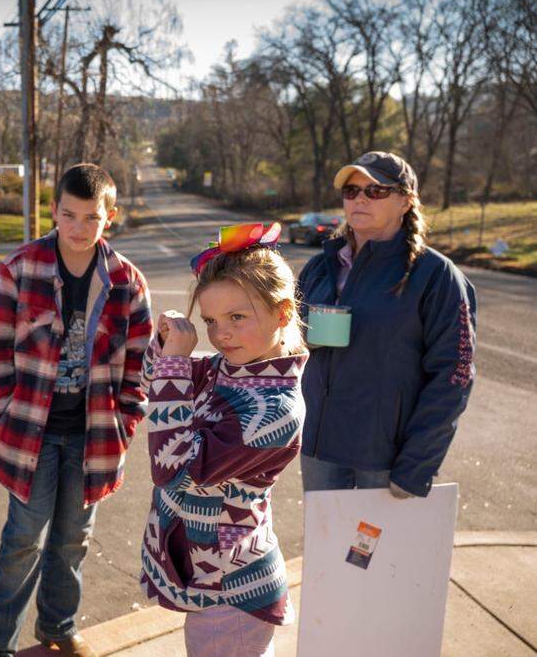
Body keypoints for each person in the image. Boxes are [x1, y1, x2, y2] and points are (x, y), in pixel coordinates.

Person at [0, 163, 153, 657]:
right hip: (31, 434)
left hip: (93, 436)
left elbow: (139, 367)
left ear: (109, 217)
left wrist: (124, 424)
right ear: (53, 211)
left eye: (90, 217)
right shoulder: (20, 269)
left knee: (74, 540)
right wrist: (6, 420)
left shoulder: (128, 284)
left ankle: (57, 626)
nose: (77, 227)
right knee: (22, 543)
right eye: (68, 215)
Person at [139, 223, 307, 657]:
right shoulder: (226, 367)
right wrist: (164, 349)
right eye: (211, 321)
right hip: (212, 577)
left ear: (283, 312)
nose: (221, 334)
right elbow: (152, 382)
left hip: (234, 592)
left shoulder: (274, 410)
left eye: (237, 317)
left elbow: (172, 469)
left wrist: (175, 365)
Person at [297, 151, 476, 497]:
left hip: (384, 462)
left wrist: (416, 466)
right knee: (327, 552)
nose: (360, 199)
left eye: (375, 190)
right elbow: (287, 345)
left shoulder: (435, 276)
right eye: (351, 191)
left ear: (406, 201)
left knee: (382, 554)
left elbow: (454, 376)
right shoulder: (320, 267)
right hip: (319, 452)